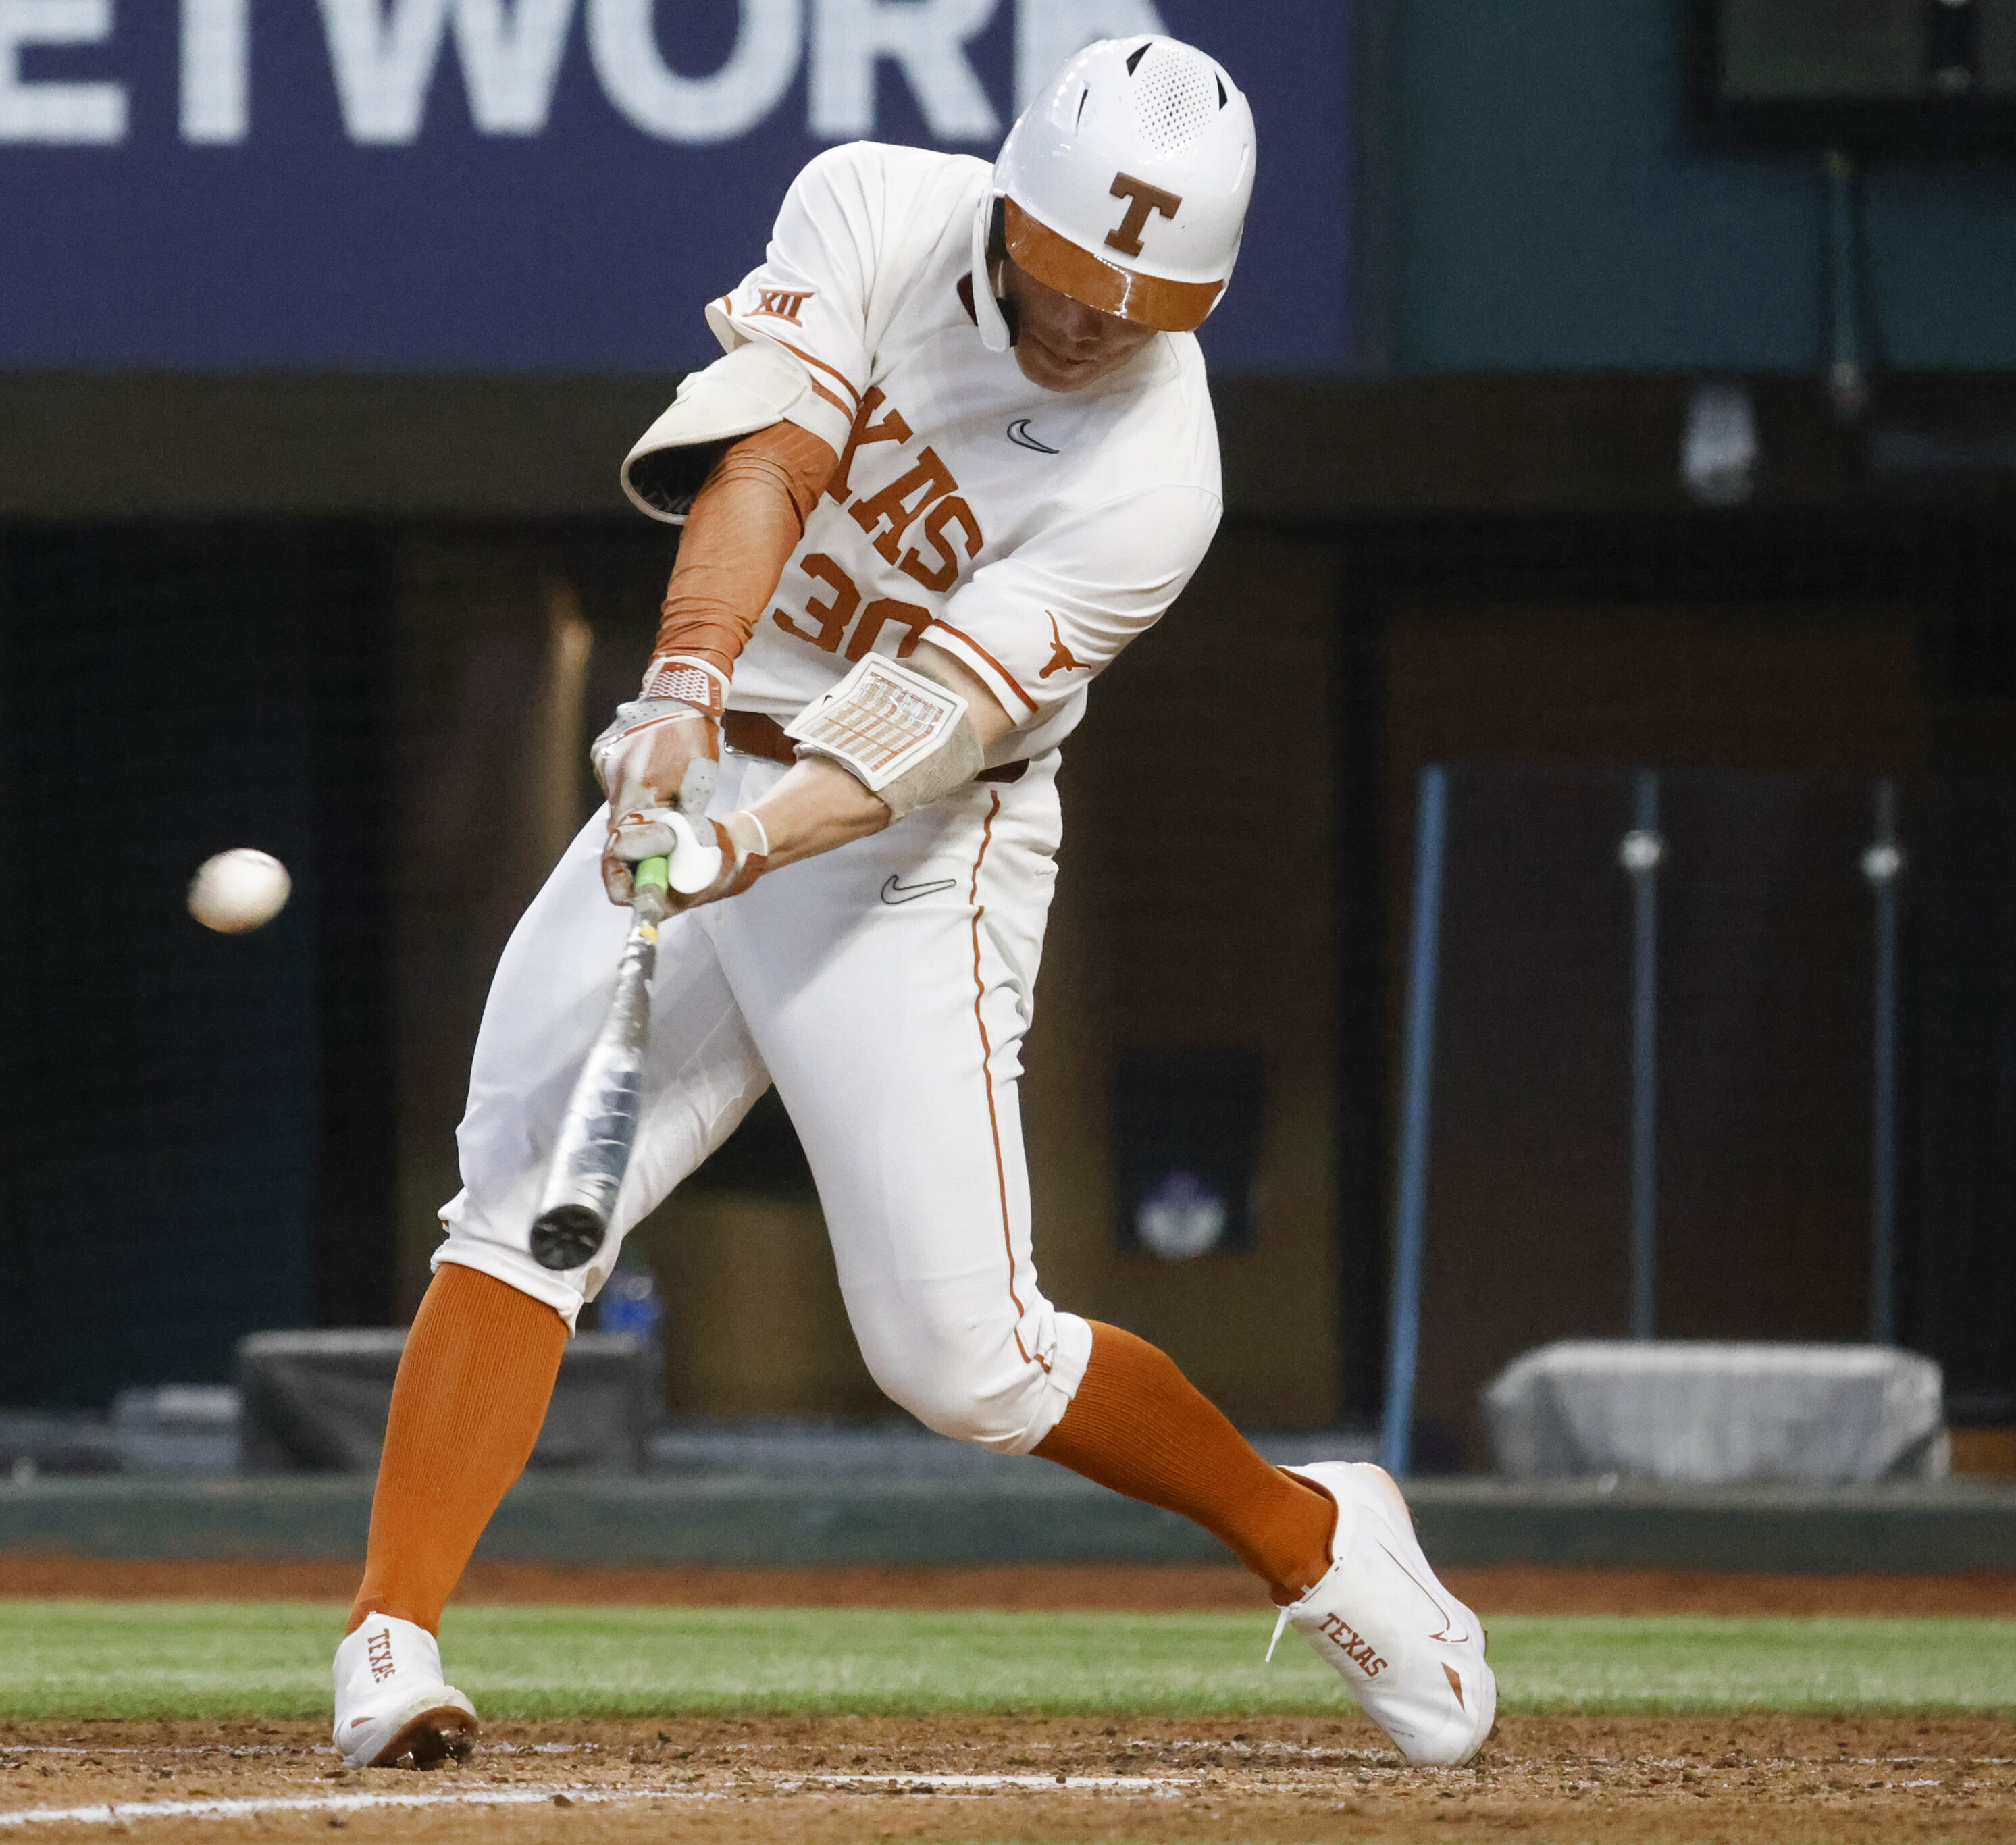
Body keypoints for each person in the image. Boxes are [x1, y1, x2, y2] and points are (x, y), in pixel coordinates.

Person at [331, 33, 1495, 1771]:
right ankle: (390, 1636)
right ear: (1011, 198)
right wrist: (672, 694)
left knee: (966, 1363)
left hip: (905, 848)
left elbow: (925, 722)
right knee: (518, 1200)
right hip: (719, 744)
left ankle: (1317, 1534)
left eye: (1144, 298)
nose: (1094, 319)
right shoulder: (871, 203)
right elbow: (765, 466)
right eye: (1072, 267)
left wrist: (734, 841)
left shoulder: (1154, 482)